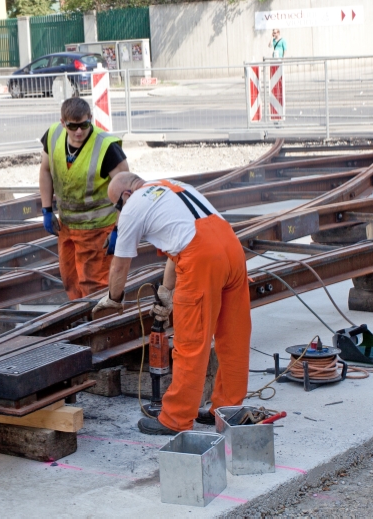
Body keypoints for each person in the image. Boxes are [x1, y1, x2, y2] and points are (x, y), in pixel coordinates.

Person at [93, 172, 251, 436]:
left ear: (126, 196)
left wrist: (114, 298)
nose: (119, 212)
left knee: (191, 342)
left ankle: (176, 419)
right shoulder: (172, 187)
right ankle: (228, 409)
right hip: (232, 248)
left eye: (117, 206)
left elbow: (120, 265)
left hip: (202, 258)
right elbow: (175, 248)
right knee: (233, 335)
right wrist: (167, 292)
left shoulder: (133, 205)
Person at [39, 97, 129, 300]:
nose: (79, 131)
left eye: (84, 125)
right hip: (67, 228)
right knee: (71, 282)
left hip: (98, 232)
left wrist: (118, 229)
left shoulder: (107, 148)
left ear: (90, 119)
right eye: (73, 126)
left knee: (95, 286)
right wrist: (46, 210)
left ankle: (100, 325)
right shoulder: (53, 136)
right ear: (63, 123)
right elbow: (45, 170)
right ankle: (80, 323)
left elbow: (127, 191)